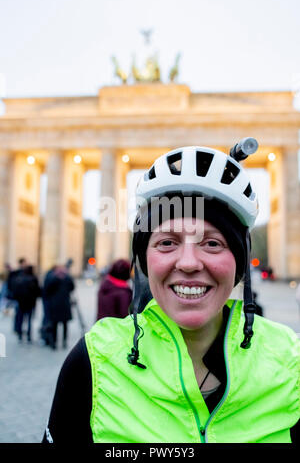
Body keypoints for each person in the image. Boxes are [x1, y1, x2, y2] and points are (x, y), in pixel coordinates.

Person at [43, 143, 299, 444]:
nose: (189, 263)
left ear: (239, 262)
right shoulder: (93, 361)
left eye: (212, 243)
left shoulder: (291, 361)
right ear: (144, 260)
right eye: (167, 242)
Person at [43, 265, 75, 349]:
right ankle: (54, 342)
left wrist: (67, 276)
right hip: (55, 305)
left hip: (65, 304)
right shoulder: (52, 278)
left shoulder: (67, 278)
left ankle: (64, 342)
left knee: (65, 325)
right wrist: (56, 278)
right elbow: (47, 289)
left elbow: (72, 287)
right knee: (55, 325)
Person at [13, 265, 41, 342]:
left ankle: (20, 335)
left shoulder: (19, 279)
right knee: (29, 320)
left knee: (21, 319)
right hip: (30, 303)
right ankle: (28, 336)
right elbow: (37, 291)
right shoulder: (33, 279)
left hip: (21, 303)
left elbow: (15, 292)